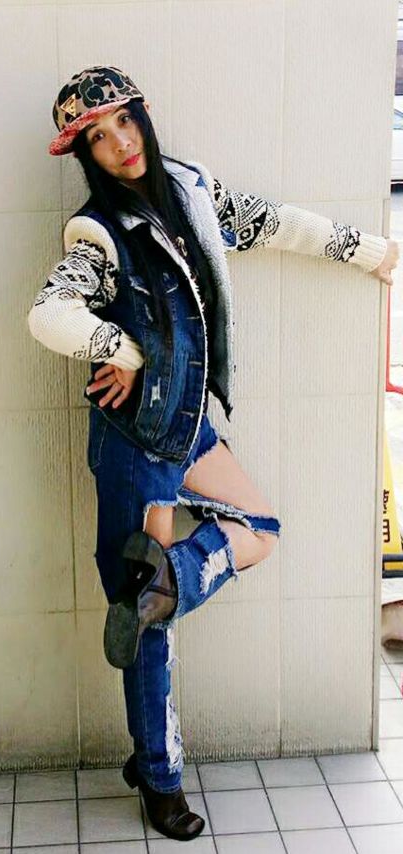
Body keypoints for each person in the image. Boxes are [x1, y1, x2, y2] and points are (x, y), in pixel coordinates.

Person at [27, 66, 399, 841]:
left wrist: (368, 250)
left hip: (189, 424)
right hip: (136, 444)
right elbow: (50, 313)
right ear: (86, 154)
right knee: (149, 629)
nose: (118, 142)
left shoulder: (192, 191)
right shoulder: (98, 233)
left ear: (143, 116)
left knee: (258, 530)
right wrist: (124, 350)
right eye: (98, 137)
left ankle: (167, 581)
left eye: (123, 121)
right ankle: (159, 776)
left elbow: (272, 223)